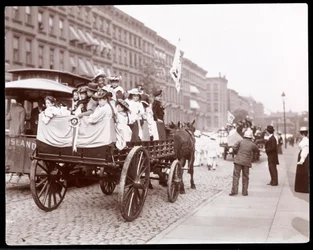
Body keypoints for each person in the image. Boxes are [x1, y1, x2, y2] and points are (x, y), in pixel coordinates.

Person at [229, 129, 259, 196]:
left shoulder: (240, 141)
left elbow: (234, 148)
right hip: (246, 162)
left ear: (244, 136)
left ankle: (234, 191)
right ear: (251, 137)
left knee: (236, 176)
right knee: (245, 176)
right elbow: (257, 150)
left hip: (238, 160)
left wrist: (237, 153)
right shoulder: (252, 144)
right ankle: (244, 192)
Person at [294, 127, 309, 193]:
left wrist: (302, 160)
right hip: (302, 156)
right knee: (303, 172)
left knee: (303, 172)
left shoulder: (305, 141)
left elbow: (305, 150)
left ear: (302, 133)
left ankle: (303, 188)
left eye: (300, 133)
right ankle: (302, 187)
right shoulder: (304, 140)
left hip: (304, 157)